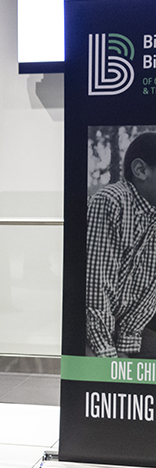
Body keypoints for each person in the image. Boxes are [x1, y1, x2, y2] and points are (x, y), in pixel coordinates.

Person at [86, 131, 156, 359]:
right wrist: (109, 358)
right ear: (141, 170)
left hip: (129, 328)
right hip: (92, 330)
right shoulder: (110, 203)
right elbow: (96, 290)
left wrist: (128, 345)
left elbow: (149, 295)